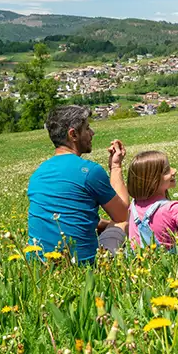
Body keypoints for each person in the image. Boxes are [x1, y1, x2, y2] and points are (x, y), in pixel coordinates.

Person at [26, 105, 130, 262]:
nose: (92, 133)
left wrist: (101, 225)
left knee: (107, 226)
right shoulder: (89, 172)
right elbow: (122, 215)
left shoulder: (37, 175)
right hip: (82, 266)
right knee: (123, 225)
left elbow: (66, 215)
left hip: (38, 265)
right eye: (87, 128)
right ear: (73, 134)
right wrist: (116, 167)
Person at [126, 151, 178, 251]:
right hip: (173, 261)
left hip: (140, 261)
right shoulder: (173, 209)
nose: (174, 171)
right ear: (152, 181)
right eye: (166, 171)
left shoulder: (133, 206)